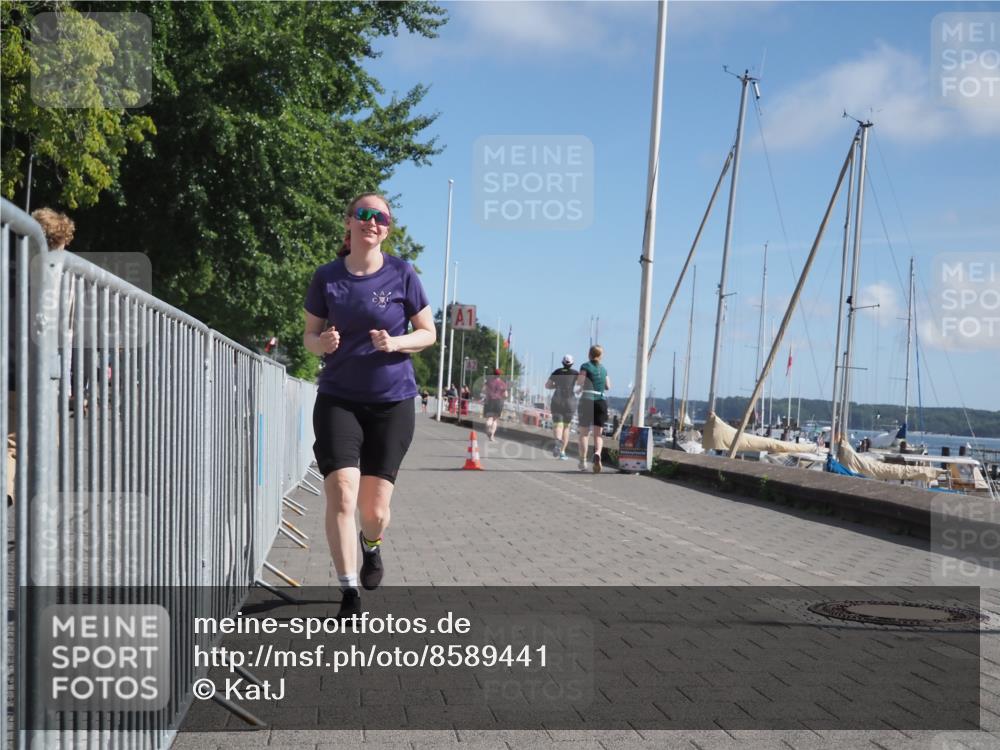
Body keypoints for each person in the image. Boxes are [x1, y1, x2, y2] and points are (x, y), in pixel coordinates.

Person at [303, 192, 435, 620]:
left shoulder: (402, 274)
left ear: (387, 228)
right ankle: (348, 592)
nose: (371, 222)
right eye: (363, 214)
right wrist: (319, 344)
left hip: (392, 403)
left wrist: (396, 342)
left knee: (373, 511)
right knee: (341, 494)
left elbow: (428, 332)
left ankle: (371, 547)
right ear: (349, 223)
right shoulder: (326, 277)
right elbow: (309, 335)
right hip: (338, 399)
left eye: (380, 217)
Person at [576, 345, 611, 473]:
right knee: (598, 435)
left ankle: (583, 461)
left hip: (587, 400)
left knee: (584, 434)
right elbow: (608, 386)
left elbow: (580, 382)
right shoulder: (604, 369)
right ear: (601, 356)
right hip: (600, 402)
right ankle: (597, 453)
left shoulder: (585, 366)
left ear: (589, 354)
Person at [544, 354, 578, 460]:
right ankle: (562, 452)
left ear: (562, 362)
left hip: (557, 400)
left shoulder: (557, 372)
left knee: (558, 425)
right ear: (572, 363)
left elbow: (547, 385)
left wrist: (556, 386)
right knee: (566, 427)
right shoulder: (575, 373)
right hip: (570, 401)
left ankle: (557, 442)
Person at [482, 368, 507, 441]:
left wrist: (488, 393)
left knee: (489, 418)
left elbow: (483, 390)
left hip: (489, 401)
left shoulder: (488, 382)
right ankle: (492, 435)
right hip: (498, 402)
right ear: (500, 375)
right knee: (495, 420)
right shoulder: (503, 383)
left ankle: (488, 431)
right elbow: (506, 395)